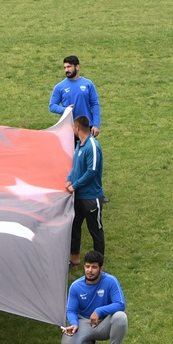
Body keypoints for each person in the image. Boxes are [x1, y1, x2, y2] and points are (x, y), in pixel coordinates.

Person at [60, 250, 127, 344]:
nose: (90, 270)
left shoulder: (111, 281)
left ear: (101, 269)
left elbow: (120, 304)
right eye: (87, 266)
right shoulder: (76, 286)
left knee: (121, 317)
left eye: (94, 267)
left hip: (105, 323)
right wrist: (74, 323)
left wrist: (99, 311)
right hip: (85, 323)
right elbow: (71, 310)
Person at [65, 115, 104, 268]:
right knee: (75, 226)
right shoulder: (80, 145)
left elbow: (92, 171)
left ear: (77, 128)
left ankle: (98, 264)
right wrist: (69, 178)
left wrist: (75, 186)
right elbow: (75, 166)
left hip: (91, 197)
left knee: (96, 230)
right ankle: (74, 258)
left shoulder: (92, 146)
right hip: (79, 196)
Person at [50, 56, 101, 137]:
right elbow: (52, 106)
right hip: (69, 129)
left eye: (69, 67)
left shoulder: (88, 84)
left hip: (87, 128)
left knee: (88, 149)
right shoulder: (59, 87)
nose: (66, 70)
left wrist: (96, 125)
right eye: (65, 67)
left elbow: (95, 104)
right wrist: (65, 110)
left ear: (77, 67)